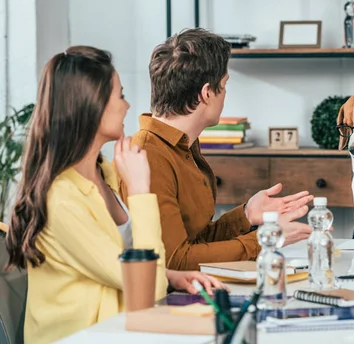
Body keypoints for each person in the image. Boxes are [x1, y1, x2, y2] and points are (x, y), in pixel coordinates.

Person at [5, 46, 228, 344]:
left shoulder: (105, 175)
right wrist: (140, 191)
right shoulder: (61, 199)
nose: (127, 106)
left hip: (122, 331)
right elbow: (145, 288)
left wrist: (173, 276)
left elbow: (130, 268)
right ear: (92, 107)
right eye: (120, 95)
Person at [120, 28, 313, 271]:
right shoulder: (149, 155)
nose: (225, 95)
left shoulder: (182, 147)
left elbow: (195, 242)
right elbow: (175, 260)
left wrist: (246, 216)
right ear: (206, 93)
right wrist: (264, 240)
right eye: (224, 85)